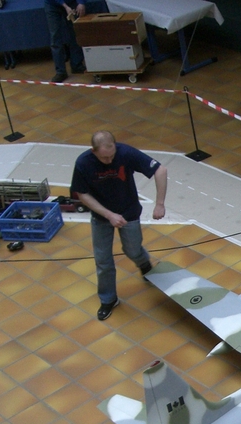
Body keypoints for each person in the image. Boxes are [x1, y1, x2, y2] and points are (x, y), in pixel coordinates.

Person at [71, 130, 168, 321]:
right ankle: (108, 299)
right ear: (93, 151)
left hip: (129, 212)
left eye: (112, 156)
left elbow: (161, 170)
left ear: (115, 146)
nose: (109, 161)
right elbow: (82, 194)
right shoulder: (83, 163)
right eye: (104, 158)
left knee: (132, 249)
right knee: (103, 260)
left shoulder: (126, 153)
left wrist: (160, 204)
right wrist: (109, 215)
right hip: (101, 217)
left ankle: (144, 264)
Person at [44, 0, 87, 83]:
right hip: (52, 5)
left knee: (75, 33)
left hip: (72, 3)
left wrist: (81, 3)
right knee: (55, 37)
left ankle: (77, 65)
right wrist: (65, 6)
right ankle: (60, 72)